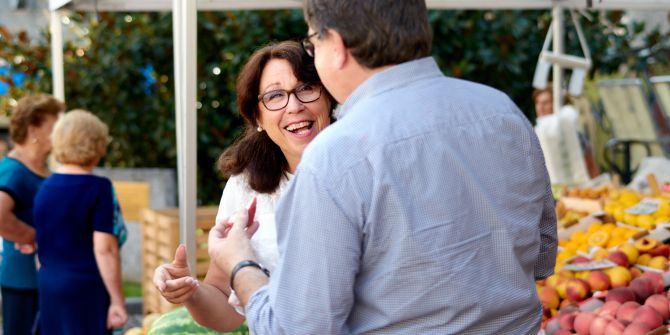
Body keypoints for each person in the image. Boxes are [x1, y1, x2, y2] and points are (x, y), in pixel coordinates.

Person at [208, 1, 558, 334]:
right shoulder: (503, 114)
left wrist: (241, 265)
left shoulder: (335, 155)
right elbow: (542, 259)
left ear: (338, 45)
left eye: (313, 42)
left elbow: (297, 329)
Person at [152, 40, 335, 331]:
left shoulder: (360, 173)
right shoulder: (245, 188)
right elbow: (225, 302)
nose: (295, 106)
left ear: (328, 96)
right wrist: (192, 292)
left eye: (307, 88)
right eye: (275, 96)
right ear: (257, 117)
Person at [33, 110, 127, 334]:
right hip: (86, 288)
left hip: (49, 283)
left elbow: (40, 246)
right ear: (96, 145)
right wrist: (117, 300)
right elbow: (105, 249)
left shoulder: (43, 188)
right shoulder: (99, 188)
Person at [0, 94, 64, 335]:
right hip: (23, 283)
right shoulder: (13, 170)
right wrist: (35, 238)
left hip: (47, 280)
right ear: (33, 130)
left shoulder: (43, 170)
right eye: (53, 127)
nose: (60, 133)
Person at [533, 86, 599, 185]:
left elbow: (591, 167)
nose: (540, 108)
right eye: (537, 103)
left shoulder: (574, 135)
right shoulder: (534, 135)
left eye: (545, 103)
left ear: (557, 104)